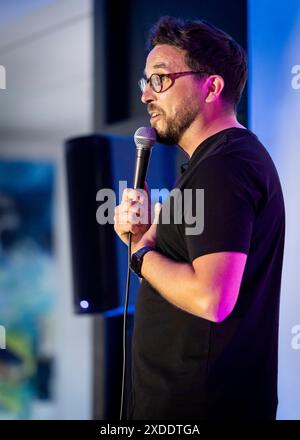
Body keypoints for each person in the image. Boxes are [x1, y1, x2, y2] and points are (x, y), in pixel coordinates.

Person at [114, 16, 285, 420]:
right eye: (146, 83)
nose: (146, 96)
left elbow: (212, 299)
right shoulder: (218, 163)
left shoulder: (224, 166)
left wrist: (139, 253)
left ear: (211, 86)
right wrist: (147, 233)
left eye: (160, 80)